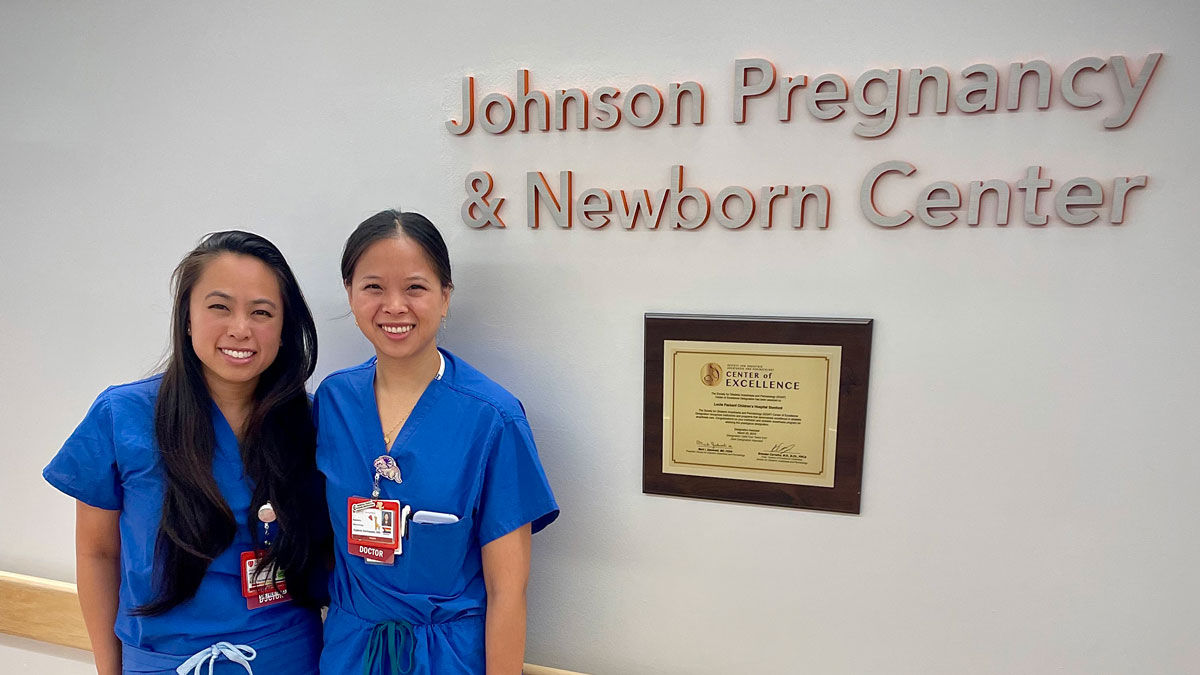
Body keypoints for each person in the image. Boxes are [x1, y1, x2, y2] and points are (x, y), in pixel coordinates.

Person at [43, 231, 331, 674]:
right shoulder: (122, 416)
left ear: (283, 329)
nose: (240, 328)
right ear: (188, 318)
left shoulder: (310, 425)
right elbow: (98, 553)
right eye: (220, 307)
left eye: (261, 312)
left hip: (288, 658)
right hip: (162, 663)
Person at [316, 210, 559, 674]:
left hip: (447, 656)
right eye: (373, 287)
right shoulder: (333, 401)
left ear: (445, 297)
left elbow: (508, 591)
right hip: (349, 651)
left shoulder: (493, 419)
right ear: (350, 294)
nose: (394, 306)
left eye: (415, 287)